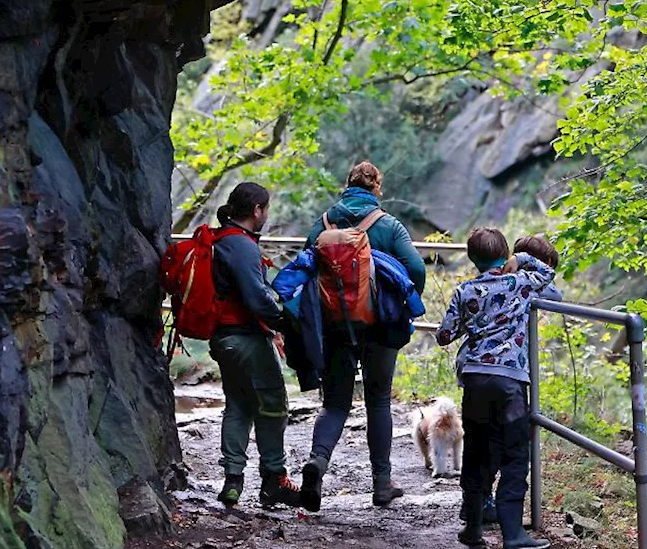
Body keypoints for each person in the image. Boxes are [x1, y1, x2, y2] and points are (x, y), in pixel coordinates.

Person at [298, 161, 427, 510]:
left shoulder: (325, 223)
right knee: (378, 400)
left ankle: (318, 462)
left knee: (335, 403)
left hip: (336, 326)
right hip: (381, 326)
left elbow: (304, 267)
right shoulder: (387, 224)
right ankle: (382, 485)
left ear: (347, 185)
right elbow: (416, 268)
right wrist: (400, 300)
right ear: (376, 188)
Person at [437, 227, 555, 548]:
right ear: (505, 254)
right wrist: (521, 259)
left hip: (475, 379)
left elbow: (444, 335)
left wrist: (470, 325)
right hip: (510, 382)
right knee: (515, 453)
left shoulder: (464, 292)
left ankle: (473, 530)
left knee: (477, 450)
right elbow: (547, 272)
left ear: (472, 258)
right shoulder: (519, 284)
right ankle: (513, 534)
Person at [459, 235, 563, 525]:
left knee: (480, 442)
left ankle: (475, 510)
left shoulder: (481, 285)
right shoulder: (521, 285)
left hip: (475, 371)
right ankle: (502, 520)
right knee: (508, 447)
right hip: (507, 376)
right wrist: (527, 268)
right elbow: (555, 296)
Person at [209, 182, 302, 509]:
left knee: (238, 405)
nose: (267, 214)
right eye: (266, 209)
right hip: (246, 337)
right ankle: (274, 481)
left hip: (222, 339)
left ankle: (233, 481)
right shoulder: (243, 245)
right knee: (273, 405)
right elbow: (256, 297)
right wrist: (284, 323)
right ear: (256, 211)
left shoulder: (220, 241)